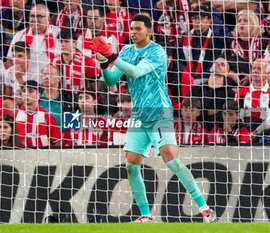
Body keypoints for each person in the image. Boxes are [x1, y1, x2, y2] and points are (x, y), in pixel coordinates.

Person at [90, 14, 216, 222]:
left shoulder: (156, 51)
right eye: (131, 28)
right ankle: (145, 215)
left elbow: (136, 72)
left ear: (149, 31)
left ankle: (205, 210)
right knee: (131, 165)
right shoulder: (127, 51)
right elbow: (111, 79)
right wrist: (103, 61)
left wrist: (111, 56)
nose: (133, 32)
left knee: (172, 161)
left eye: (138, 29)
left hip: (159, 112)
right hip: (139, 115)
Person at [177, 5, 226, 84]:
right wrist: (187, 76)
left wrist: (196, 78)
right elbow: (179, 62)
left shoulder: (217, 40)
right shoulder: (183, 40)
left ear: (210, 20)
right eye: (194, 18)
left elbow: (213, 64)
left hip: (207, 78)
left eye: (201, 17)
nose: (197, 21)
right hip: (185, 77)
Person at [6, 4, 60, 73]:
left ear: (48, 18)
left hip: (48, 79)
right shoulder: (20, 35)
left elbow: (61, 60)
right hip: (25, 79)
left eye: (39, 16)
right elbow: (10, 59)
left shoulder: (57, 34)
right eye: (32, 16)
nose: (35, 19)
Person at [187, 57, 236, 131]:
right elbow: (188, 112)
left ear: (227, 74)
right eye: (217, 63)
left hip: (219, 132)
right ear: (210, 68)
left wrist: (202, 112)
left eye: (222, 65)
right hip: (195, 131)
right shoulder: (195, 90)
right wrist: (210, 112)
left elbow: (227, 117)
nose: (219, 64)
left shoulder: (230, 94)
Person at [12, 80, 61, 147]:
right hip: (20, 154)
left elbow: (57, 141)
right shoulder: (13, 117)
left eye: (30, 91)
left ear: (39, 95)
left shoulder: (47, 117)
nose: (26, 94)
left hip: (42, 155)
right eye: (24, 91)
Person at [235, 59, 270, 142]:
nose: (255, 71)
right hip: (244, 132)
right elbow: (237, 115)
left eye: (259, 69)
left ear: (267, 74)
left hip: (265, 133)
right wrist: (245, 133)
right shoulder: (241, 92)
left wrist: (257, 132)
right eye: (253, 68)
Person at [4, 41, 39, 114]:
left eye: (20, 56)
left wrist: (19, 78)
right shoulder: (8, 72)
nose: (16, 59)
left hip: (31, 103)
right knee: (6, 103)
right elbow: (7, 96)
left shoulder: (35, 74)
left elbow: (32, 97)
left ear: (28, 57)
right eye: (14, 56)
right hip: (14, 104)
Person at [39, 64, 74, 132]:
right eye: (44, 74)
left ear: (59, 78)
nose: (46, 77)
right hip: (40, 138)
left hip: (63, 138)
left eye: (51, 75)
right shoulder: (36, 97)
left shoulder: (69, 97)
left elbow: (73, 125)